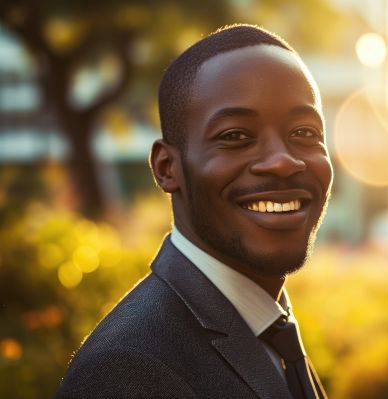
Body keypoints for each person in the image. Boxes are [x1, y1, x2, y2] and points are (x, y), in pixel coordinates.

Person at [56, 24, 333, 398]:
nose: (282, 161)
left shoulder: (268, 326)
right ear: (166, 168)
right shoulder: (128, 371)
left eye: (304, 132)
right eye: (235, 135)